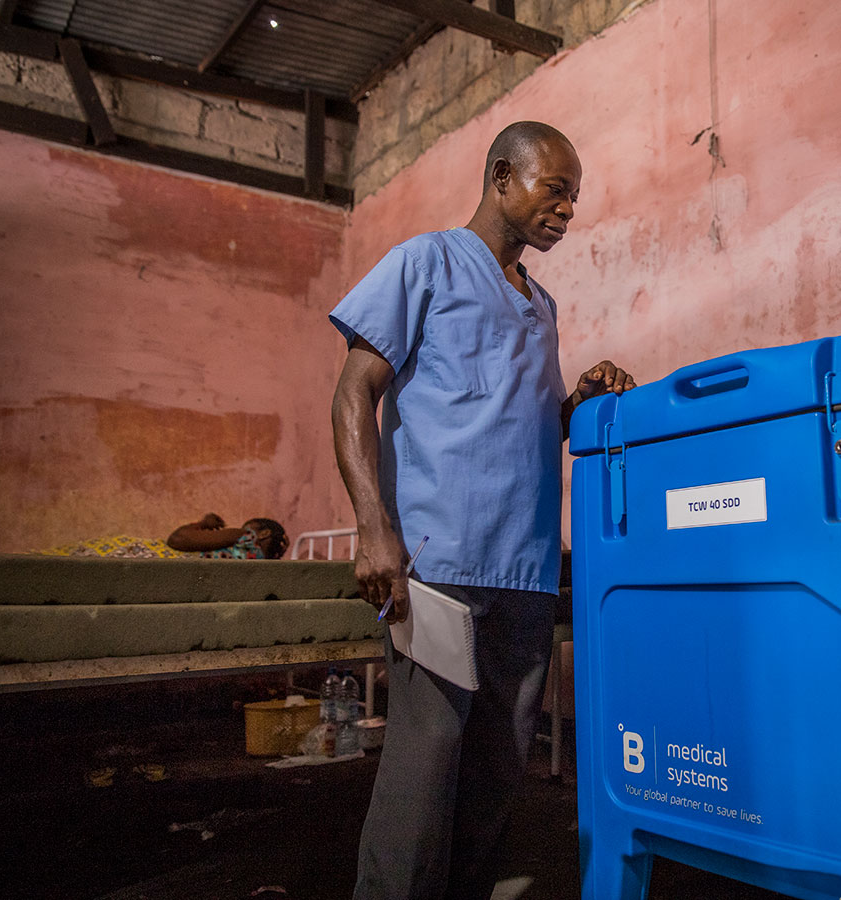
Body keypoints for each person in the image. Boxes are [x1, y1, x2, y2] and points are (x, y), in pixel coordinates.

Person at [329, 121, 636, 900]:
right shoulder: (424, 263)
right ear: (502, 176)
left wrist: (578, 404)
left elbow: (522, 418)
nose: (567, 210)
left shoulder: (543, 303)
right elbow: (352, 393)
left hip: (525, 575)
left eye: (575, 197)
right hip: (439, 566)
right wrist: (374, 529)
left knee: (498, 780)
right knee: (423, 777)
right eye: (554, 190)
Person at [166, 513, 289, 559]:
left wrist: (204, 523)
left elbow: (177, 539)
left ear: (264, 533)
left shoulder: (246, 537)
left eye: (246, 525)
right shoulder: (261, 564)